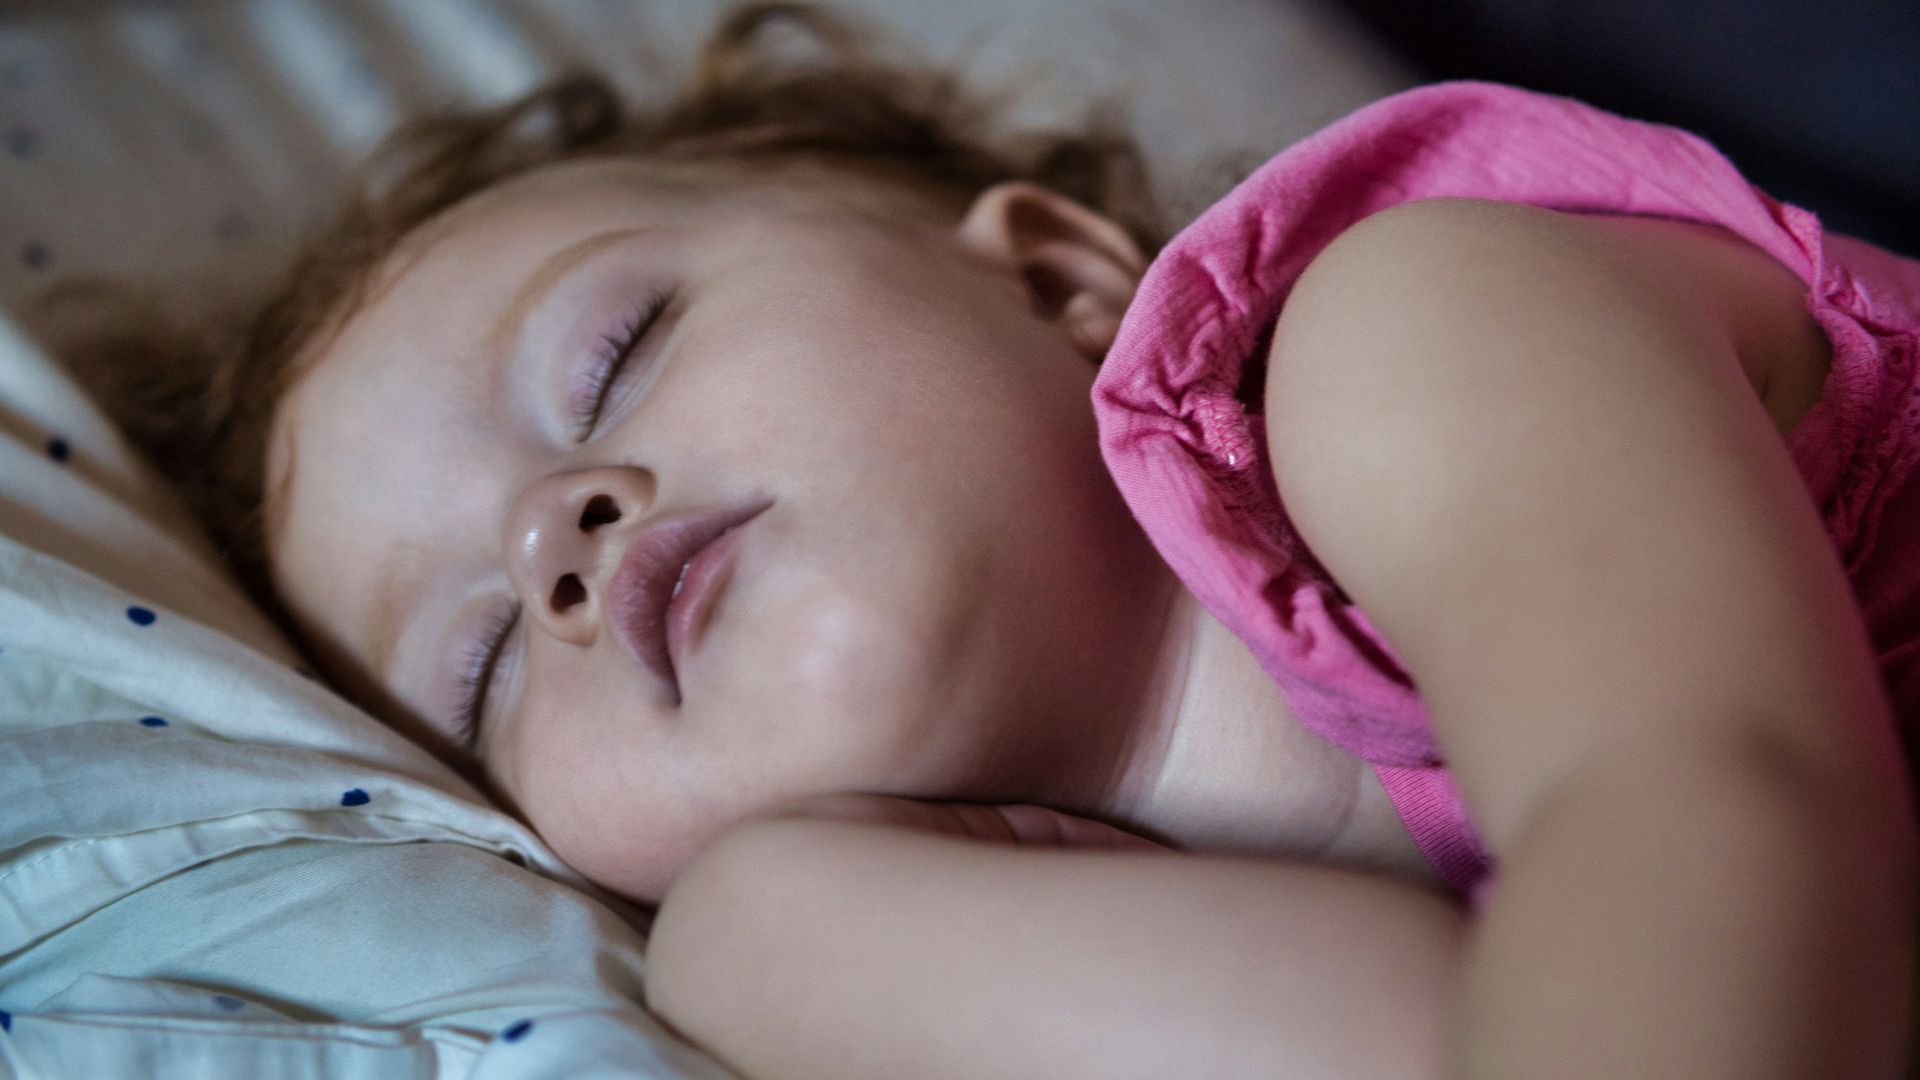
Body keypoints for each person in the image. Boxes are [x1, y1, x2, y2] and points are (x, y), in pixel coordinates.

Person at [43, 2, 1918, 1077]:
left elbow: (1709, 803)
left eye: (613, 354)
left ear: (1054, 276)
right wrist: (779, 931)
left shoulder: (1410, 332)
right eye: (482, 664)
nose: (558, 540)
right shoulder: (803, 927)